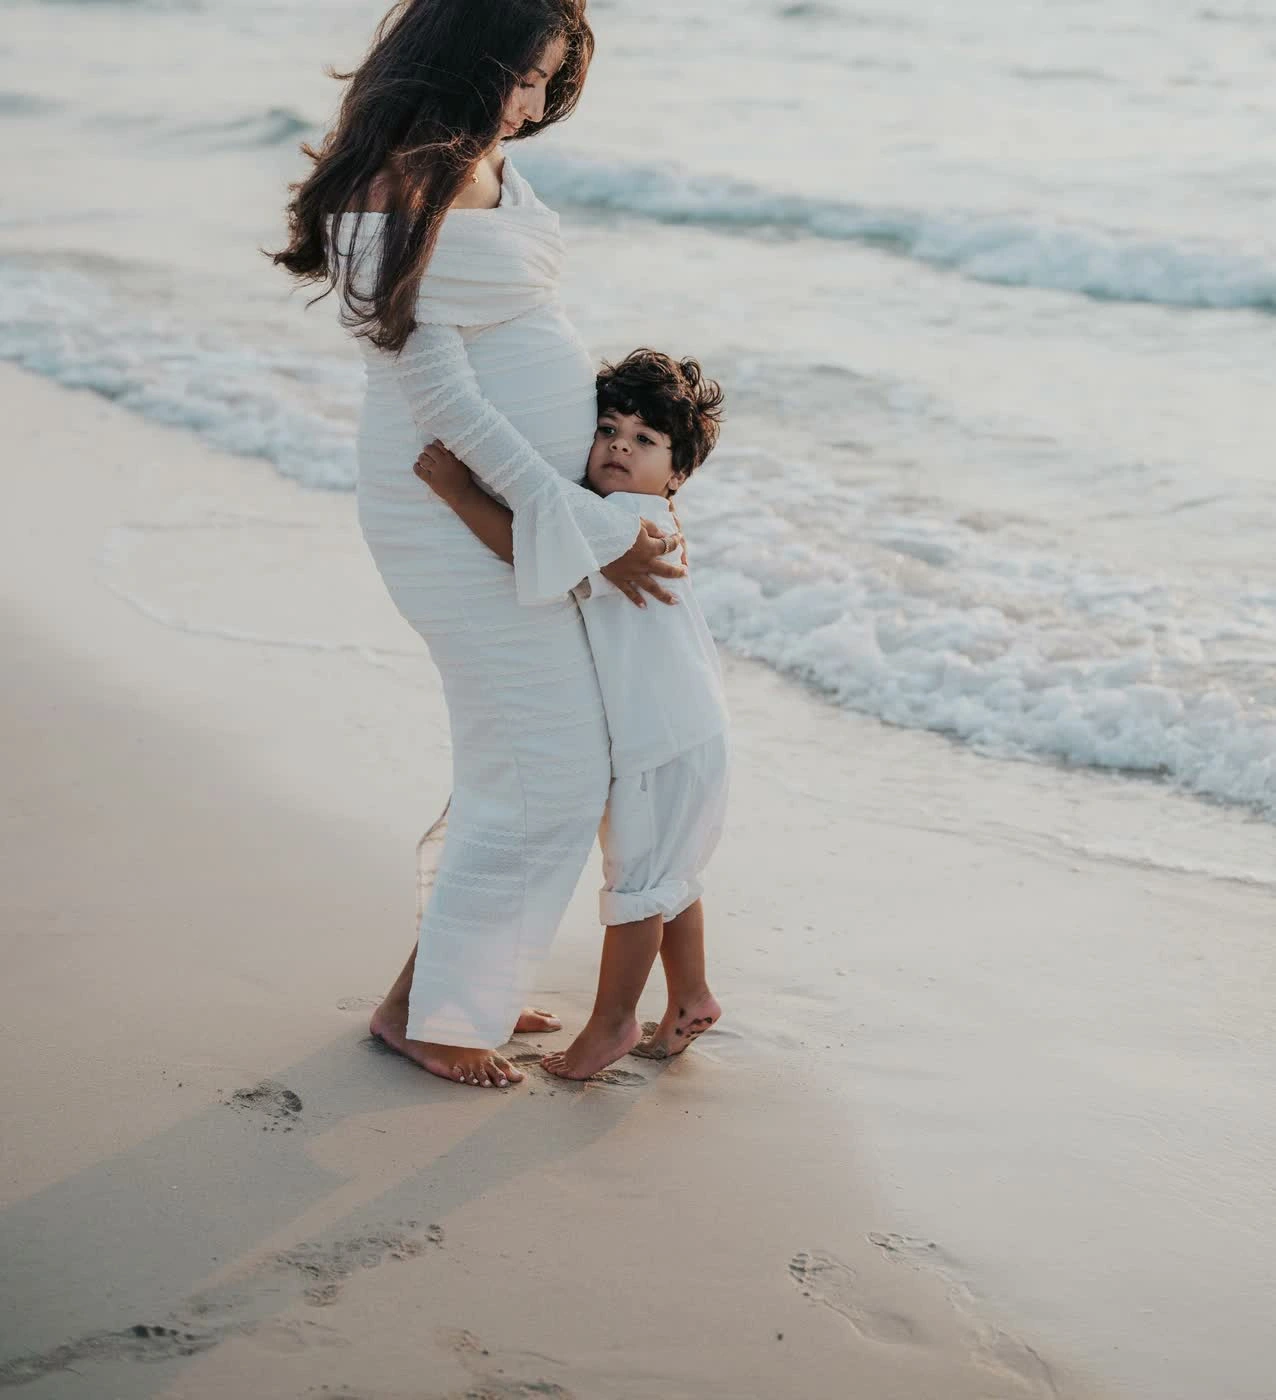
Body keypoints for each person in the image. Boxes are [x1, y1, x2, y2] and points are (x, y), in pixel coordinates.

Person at [272, 0, 687, 1089]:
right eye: (524, 75)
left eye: (551, 79)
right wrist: (581, 529)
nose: (536, 103)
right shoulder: (397, 186)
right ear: (468, 56)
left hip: (518, 510)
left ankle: (438, 993)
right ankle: (433, 1011)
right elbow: (443, 397)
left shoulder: (484, 160)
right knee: (551, 765)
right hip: (447, 509)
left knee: (528, 757)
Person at [414, 350, 729, 1080]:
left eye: (645, 440)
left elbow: (527, 548)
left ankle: (612, 1024)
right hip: (687, 733)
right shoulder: (643, 515)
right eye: (608, 430)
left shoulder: (621, 521)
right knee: (669, 874)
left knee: (637, 887)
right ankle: (691, 996)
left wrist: (460, 492)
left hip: (659, 743)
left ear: (677, 474)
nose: (620, 446)